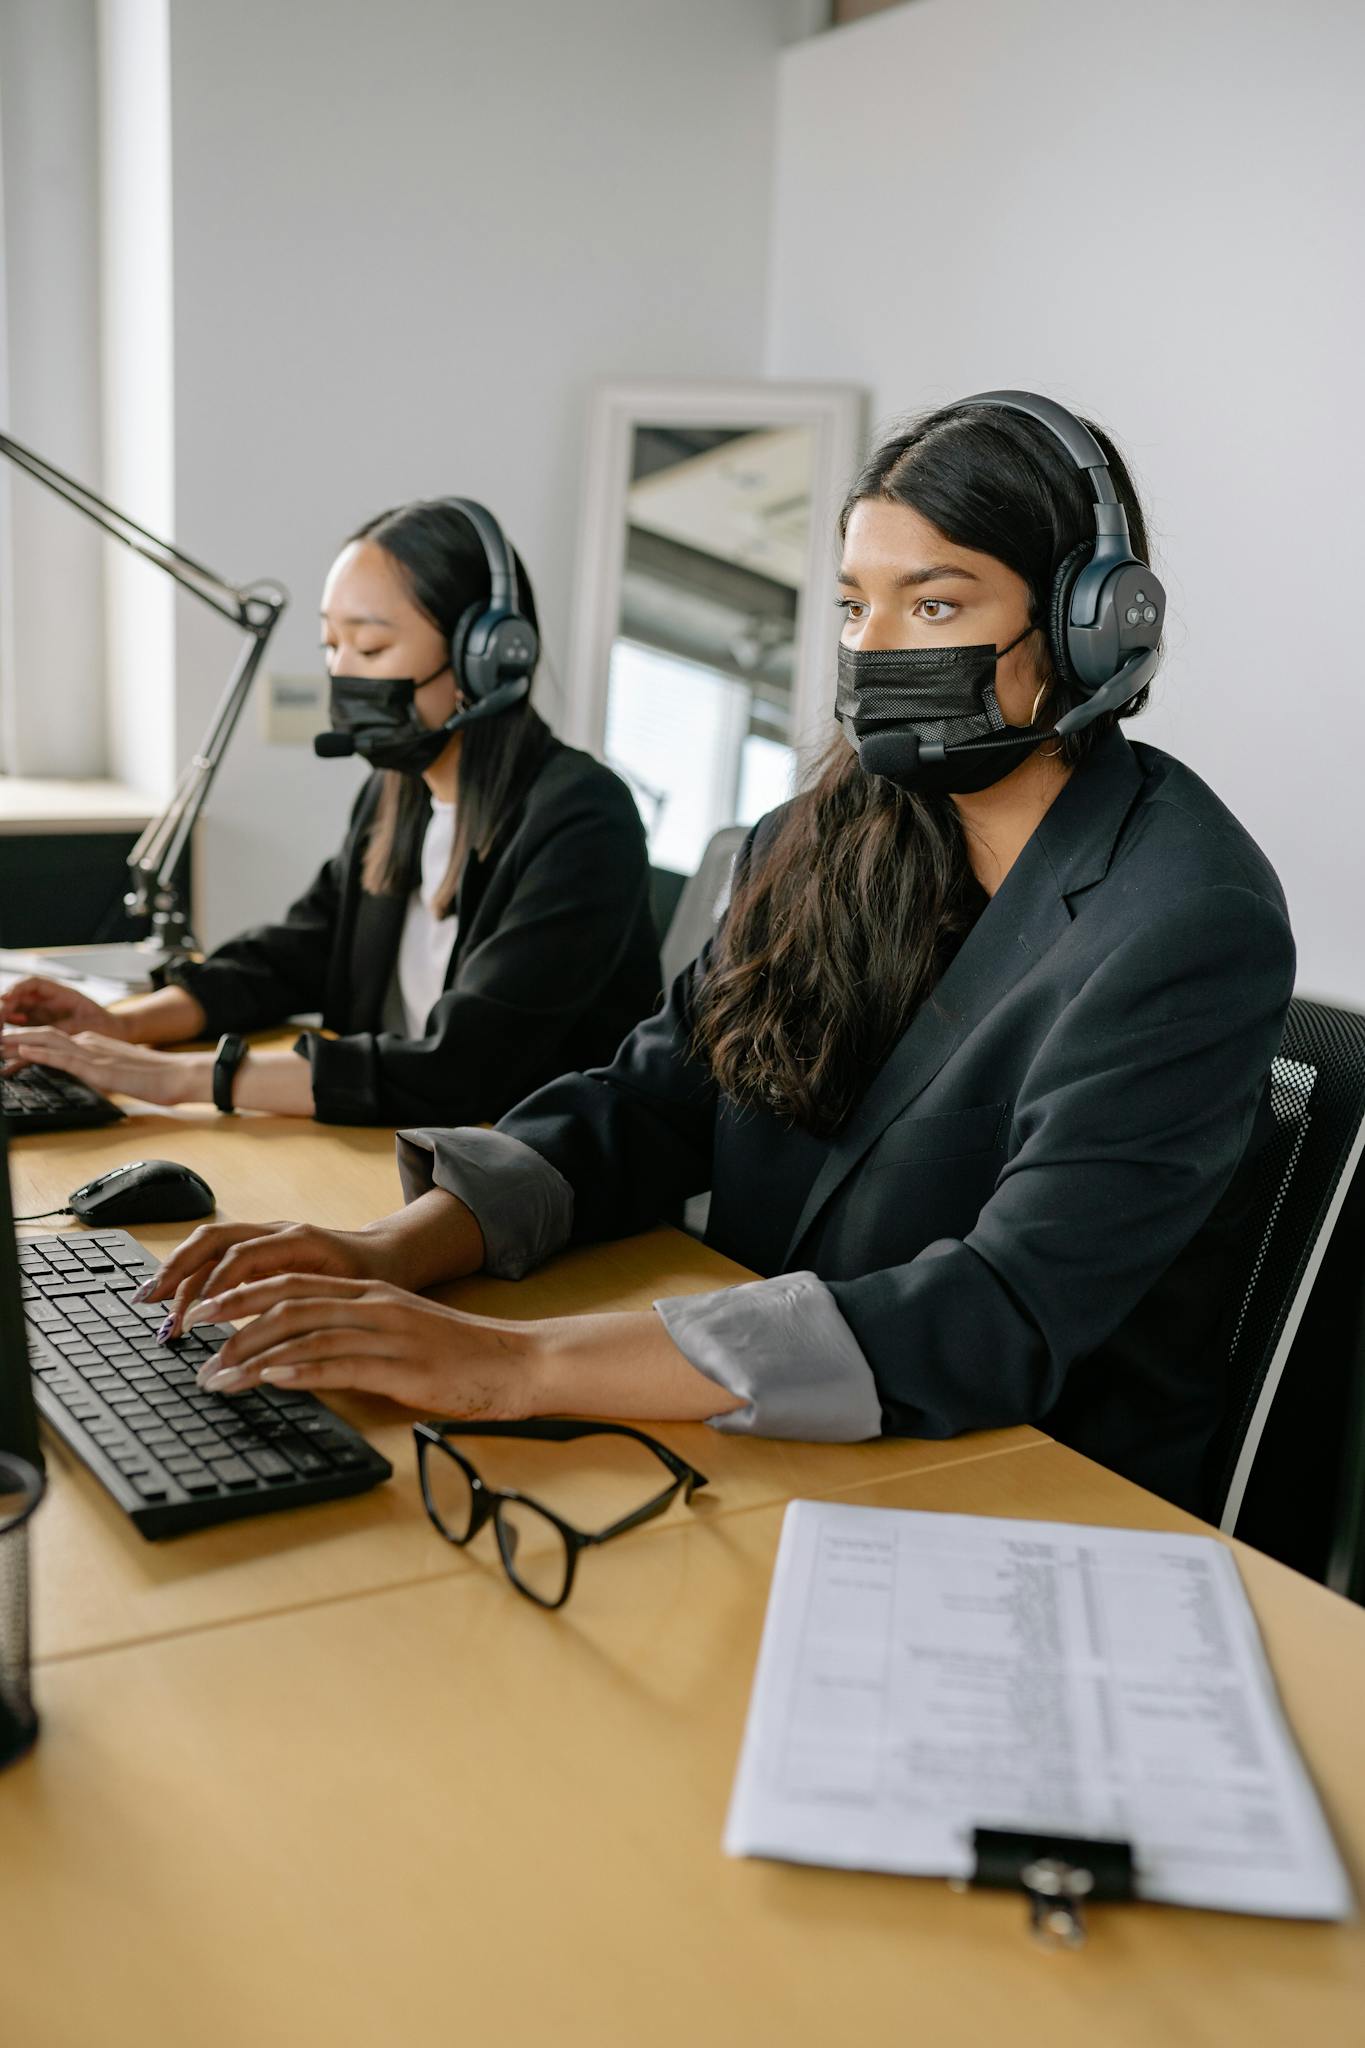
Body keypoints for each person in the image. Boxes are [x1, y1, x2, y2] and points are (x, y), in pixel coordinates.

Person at [134, 396, 1295, 1512]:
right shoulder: (821, 835)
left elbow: (995, 1312)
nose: (873, 648)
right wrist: (389, 1250)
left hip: (1019, 1485)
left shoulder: (1190, 918)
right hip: (760, 1433)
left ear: (1094, 630)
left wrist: (513, 1366)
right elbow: (649, 1101)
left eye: (933, 607)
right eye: (854, 606)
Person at [0, 499, 659, 1125]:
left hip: (525, 1179)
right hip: (396, 1142)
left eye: (369, 649)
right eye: (329, 646)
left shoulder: (582, 820)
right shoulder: (395, 794)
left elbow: (465, 1064)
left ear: (483, 661)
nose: (342, 673)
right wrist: (125, 1025)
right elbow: (295, 954)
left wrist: (173, 1078)